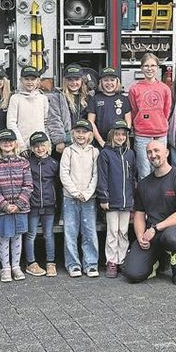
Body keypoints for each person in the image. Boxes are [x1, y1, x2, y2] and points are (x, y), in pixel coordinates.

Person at [122, 141, 176, 286]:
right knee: (132, 274)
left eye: (156, 151)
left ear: (166, 153)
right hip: (152, 234)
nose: (153, 155)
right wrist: (141, 237)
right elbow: (139, 215)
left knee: (171, 238)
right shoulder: (144, 184)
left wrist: (155, 228)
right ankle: (159, 259)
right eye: (149, 152)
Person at [0, 129, 33, 282]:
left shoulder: (23, 162)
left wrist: (19, 204)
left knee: (17, 237)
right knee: (4, 237)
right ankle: (5, 267)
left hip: (20, 208)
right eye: (4, 141)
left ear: (15, 143)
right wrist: (4, 205)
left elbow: (28, 185)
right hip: (2, 209)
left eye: (10, 141)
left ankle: (16, 266)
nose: (7, 143)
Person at [59, 119, 100, 278]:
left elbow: (96, 175)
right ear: (73, 134)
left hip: (89, 198)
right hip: (70, 198)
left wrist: (88, 193)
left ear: (90, 134)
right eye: (78, 132)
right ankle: (73, 264)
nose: (81, 135)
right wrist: (75, 193)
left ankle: (90, 263)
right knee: (70, 232)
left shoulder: (94, 152)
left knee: (89, 232)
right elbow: (64, 174)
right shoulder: (68, 151)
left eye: (84, 132)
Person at [96, 120, 136, 278]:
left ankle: (122, 259)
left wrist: (133, 198)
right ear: (112, 135)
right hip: (112, 201)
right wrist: (103, 197)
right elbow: (102, 177)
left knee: (123, 232)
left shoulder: (130, 154)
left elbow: (133, 176)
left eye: (123, 135)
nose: (120, 137)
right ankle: (111, 261)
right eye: (117, 134)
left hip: (126, 201)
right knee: (112, 231)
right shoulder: (105, 154)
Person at [128, 53, 172, 178]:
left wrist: (160, 122)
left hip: (160, 134)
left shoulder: (164, 89)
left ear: (157, 67)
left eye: (153, 65)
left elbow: (166, 110)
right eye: (146, 66)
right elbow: (134, 110)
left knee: (160, 168)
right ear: (141, 68)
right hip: (142, 134)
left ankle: (159, 197)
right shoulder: (134, 89)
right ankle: (144, 197)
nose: (149, 68)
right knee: (144, 170)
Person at [23, 131, 59, 277]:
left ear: (48, 146)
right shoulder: (27, 163)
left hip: (49, 204)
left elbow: (58, 184)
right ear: (31, 148)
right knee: (30, 234)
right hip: (33, 204)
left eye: (42, 145)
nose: (40, 149)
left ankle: (51, 262)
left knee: (48, 234)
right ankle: (31, 262)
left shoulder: (53, 163)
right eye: (36, 146)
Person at [47, 64, 91, 155]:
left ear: (82, 80)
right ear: (64, 81)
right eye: (70, 80)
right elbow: (54, 119)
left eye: (77, 79)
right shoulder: (57, 97)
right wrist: (59, 140)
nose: (74, 83)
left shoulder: (88, 97)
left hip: (85, 141)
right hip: (66, 142)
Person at [6, 65, 51, 151]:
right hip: (22, 147)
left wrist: (47, 144)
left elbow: (46, 123)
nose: (30, 82)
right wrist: (20, 144)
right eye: (26, 79)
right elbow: (11, 123)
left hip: (40, 146)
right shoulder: (15, 98)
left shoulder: (43, 98)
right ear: (21, 80)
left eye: (33, 79)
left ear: (38, 81)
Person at [87, 67, 132, 146]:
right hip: (101, 143)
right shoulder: (95, 99)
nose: (109, 83)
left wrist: (123, 139)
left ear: (117, 82)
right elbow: (91, 122)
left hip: (119, 142)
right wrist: (101, 142)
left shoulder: (123, 99)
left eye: (112, 80)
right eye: (106, 80)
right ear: (101, 82)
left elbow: (128, 121)